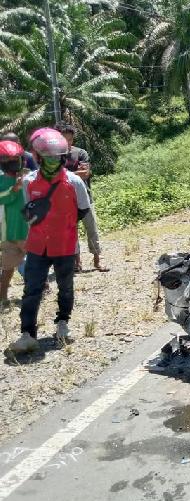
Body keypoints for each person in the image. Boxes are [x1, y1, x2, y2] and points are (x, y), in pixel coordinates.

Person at [9, 129, 92, 353]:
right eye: (47, 158)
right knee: (31, 289)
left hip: (64, 244)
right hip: (37, 245)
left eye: (57, 157)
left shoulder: (74, 182)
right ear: (37, 157)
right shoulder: (29, 181)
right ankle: (27, 333)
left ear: (63, 157)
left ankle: (63, 323)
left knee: (65, 287)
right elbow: (28, 210)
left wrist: (64, 227)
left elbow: (83, 209)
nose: (52, 162)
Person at [54, 123, 107, 272]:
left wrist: (62, 175)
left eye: (70, 139)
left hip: (85, 198)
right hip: (64, 201)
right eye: (64, 139)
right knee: (71, 232)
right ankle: (77, 263)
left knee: (92, 229)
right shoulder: (54, 157)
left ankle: (97, 261)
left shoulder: (81, 153)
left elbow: (85, 173)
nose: (68, 143)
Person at [0, 140, 29, 306]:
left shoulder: (26, 176)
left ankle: (37, 290)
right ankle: (3, 297)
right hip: (9, 231)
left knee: (35, 263)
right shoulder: (2, 181)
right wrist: (14, 190)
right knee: (8, 268)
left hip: (26, 227)